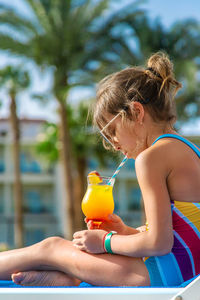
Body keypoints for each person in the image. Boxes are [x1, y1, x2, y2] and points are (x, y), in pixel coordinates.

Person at [1, 52, 200, 287]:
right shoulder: (190, 150)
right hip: (187, 272)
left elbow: (159, 243)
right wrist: (124, 231)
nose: (113, 143)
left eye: (112, 130)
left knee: (51, 247)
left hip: (164, 276)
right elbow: (181, 237)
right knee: (72, 256)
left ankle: (69, 275)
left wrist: (106, 241)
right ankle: (69, 278)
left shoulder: (151, 158)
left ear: (136, 112)